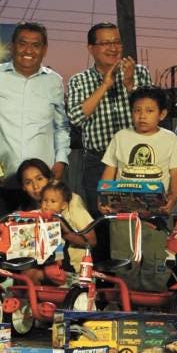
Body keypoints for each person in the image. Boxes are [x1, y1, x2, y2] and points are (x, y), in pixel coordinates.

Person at [0, 22, 70, 224]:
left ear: (44, 49)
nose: (28, 50)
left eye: (36, 45)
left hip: (40, 187)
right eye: (23, 43)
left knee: (39, 247)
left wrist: (60, 161)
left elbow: (61, 127)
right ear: (12, 46)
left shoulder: (54, 82)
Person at [101, 86, 177, 290]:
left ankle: (154, 306)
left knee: (156, 260)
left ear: (162, 114)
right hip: (123, 213)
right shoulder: (121, 137)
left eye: (149, 111)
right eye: (137, 110)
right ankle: (124, 305)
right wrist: (102, 199)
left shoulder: (169, 139)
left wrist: (172, 201)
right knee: (125, 261)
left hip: (157, 213)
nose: (142, 116)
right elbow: (109, 170)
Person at [66, 23, 152, 215]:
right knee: (101, 219)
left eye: (116, 42)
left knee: (138, 218)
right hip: (98, 161)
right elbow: (75, 117)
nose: (113, 48)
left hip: (136, 159)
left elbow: (152, 114)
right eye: (105, 43)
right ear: (91, 48)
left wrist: (130, 85)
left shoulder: (140, 73)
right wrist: (105, 85)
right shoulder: (78, 81)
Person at [17, 159, 95, 284]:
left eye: (39, 179)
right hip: (41, 263)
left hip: (70, 267)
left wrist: (62, 231)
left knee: (31, 274)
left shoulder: (72, 200)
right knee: (23, 273)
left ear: (49, 178)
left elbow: (91, 241)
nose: (35, 186)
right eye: (28, 182)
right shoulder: (29, 210)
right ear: (23, 187)